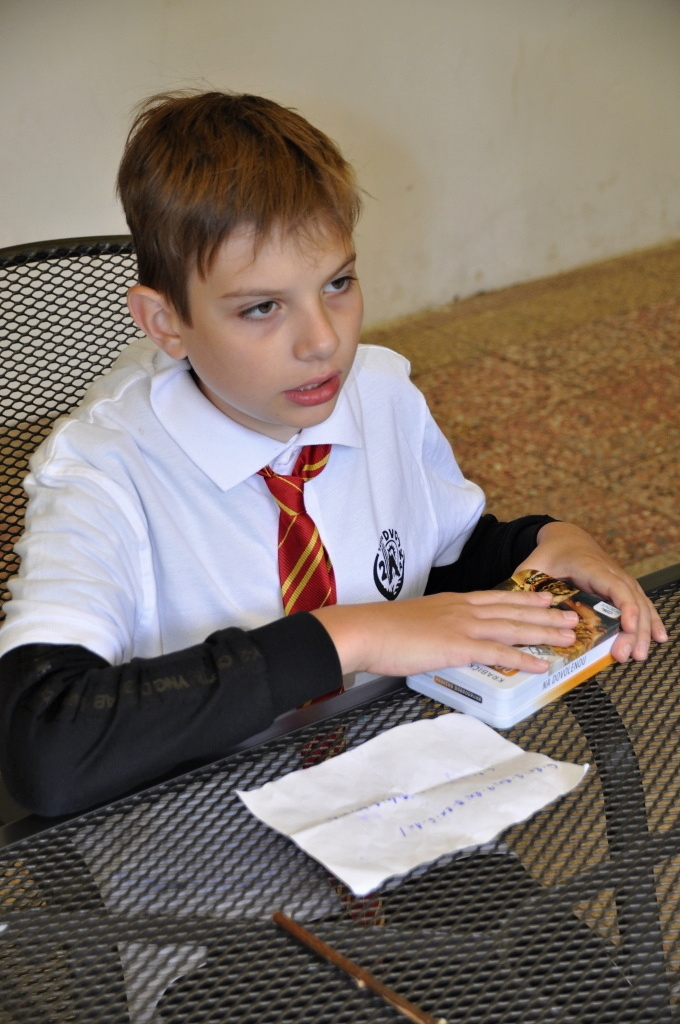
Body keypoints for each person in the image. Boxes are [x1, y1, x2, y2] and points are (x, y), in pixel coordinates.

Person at [0, 91, 666, 818]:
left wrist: (543, 542)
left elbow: (441, 556)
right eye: (262, 307)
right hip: (202, 846)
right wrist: (349, 635)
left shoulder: (379, 394)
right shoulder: (101, 470)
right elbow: (46, 746)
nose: (323, 341)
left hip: (398, 796)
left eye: (338, 284)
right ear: (165, 322)